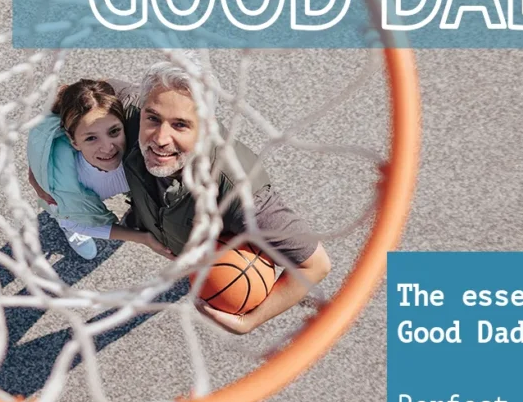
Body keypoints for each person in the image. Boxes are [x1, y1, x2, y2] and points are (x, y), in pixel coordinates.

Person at [108, 57, 332, 335]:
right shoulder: (124, 109)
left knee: (200, 267)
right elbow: (75, 96)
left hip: (202, 246)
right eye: (153, 118)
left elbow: (316, 265)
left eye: (180, 125)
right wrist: (41, 174)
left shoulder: (241, 194)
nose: (161, 138)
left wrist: (250, 321)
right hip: (158, 216)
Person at [27, 79, 173, 261]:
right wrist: (143, 239)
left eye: (114, 132)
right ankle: (73, 220)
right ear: (74, 142)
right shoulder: (62, 182)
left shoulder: (141, 149)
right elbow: (79, 224)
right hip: (62, 196)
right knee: (64, 212)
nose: (107, 148)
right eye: (91, 138)